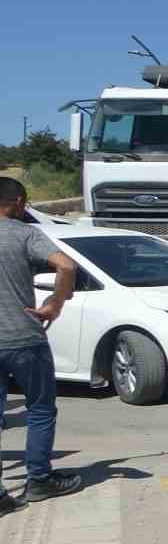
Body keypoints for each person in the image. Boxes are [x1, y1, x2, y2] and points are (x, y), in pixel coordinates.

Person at [0, 177, 83, 509]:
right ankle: (39, 480)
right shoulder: (24, 234)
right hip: (23, 338)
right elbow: (66, 265)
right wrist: (56, 304)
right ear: (19, 201)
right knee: (40, 409)